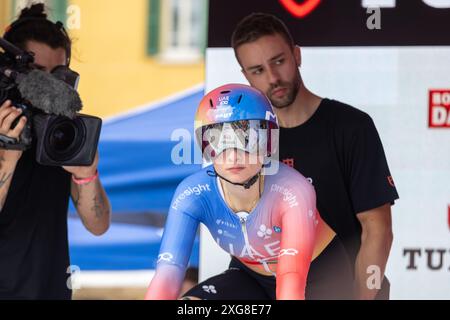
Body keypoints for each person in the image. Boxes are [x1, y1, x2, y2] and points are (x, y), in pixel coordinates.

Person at [231, 13, 399, 299]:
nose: (273, 78)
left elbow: (378, 229)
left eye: (279, 61)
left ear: (297, 55)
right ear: (246, 77)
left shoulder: (351, 126)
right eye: (258, 70)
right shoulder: (245, 143)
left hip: (341, 288)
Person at [145, 83, 352, 300]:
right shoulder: (192, 193)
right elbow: (169, 271)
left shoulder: (293, 189)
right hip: (250, 277)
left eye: (247, 139)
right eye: (218, 142)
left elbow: (292, 275)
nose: (233, 156)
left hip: (322, 275)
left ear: (268, 143)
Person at [0, 3, 111, 299]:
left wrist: (86, 175)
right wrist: (8, 157)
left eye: (58, 74)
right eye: (36, 73)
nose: (49, 88)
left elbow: (98, 225)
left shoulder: (64, 132)